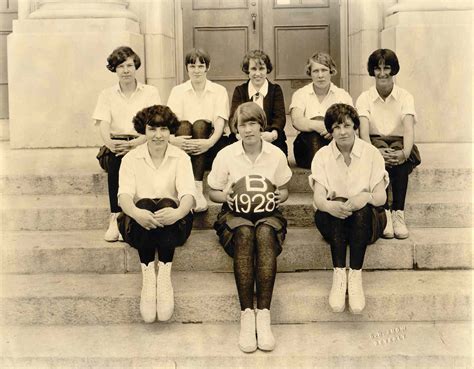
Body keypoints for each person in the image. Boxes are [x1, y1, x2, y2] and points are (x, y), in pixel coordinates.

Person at [208, 102, 292, 353]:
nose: (248, 130)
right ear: (236, 128)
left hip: (268, 212)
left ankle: (263, 314)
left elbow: (285, 189)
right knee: (244, 233)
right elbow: (212, 191)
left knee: (264, 232)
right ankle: (247, 314)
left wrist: (280, 197)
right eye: (243, 124)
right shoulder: (226, 154)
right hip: (234, 213)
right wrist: (226, 197)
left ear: (261, 125)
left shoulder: (275, 154)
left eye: (253, 123)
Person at [117, 105, 196, 323]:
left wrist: (178, 212)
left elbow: (189, 194)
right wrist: (136, 213)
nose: (158, 135)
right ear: (144, 131)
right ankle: (148, 274)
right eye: (152, 129)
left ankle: (164, 274)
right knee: (142, 203)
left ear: (170, 131)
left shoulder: (181, 157)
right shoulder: (131, 159)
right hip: (138, 224)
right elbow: (124, 197)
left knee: (167, 202)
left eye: (163, 129)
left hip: (174, 224)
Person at [310, 103, 388, 314]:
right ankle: (338, 275)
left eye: (347, 125)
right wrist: (329, 205)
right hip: (334, 223)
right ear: (330, 130)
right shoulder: (322, 156)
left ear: (355, 127)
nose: (342, 132)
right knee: (337, 206)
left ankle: (355, 275)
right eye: (336, 127)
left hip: (368, 222)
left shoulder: (371, 154)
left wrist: (365, 197)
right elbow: (318, 198)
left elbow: (381, 198)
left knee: (359, 208)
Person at [93, 46, 162, 242]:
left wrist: (137, 143)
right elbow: (103, 125)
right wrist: (112, 143)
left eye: (130, 65)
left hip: (143, 141)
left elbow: (155, 125)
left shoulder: (150, 92)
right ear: (114, 69)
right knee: (116, 158)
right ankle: (115, 217)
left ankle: (129, 216)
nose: (126, 70)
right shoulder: (107, 94)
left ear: (136, 66)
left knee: (133, 157)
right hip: (115, 144)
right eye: (120, 66)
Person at [356, 49, 421, 239]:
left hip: (399, 142)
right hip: (374, 141)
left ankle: (398, 213)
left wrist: (405, 153)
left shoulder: (405, 96)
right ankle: (385, 213)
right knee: (379, 160)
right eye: (378, 68)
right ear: (372, 71)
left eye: (387, 68)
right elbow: (364, 132)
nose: (382, 73)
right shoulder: (364, 97)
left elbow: (408, 129)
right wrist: (374, 153)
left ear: (394, 70)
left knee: (399, 159)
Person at [167, 48, 230, 212]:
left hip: (211, 144)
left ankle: (197, 187)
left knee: (201, 125)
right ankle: (187, 188)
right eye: (192, 66)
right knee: (184, 125)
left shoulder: (219, 91)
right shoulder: (177, 91)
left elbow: (220, 123)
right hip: (183, 143)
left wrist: (208, 143)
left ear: (207, 68)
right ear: (187, 68)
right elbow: (170, 123)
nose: (196, 71)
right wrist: (173, 140)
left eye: (201, 66)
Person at [290, 52, 353, 169]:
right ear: (310, 73)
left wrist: (332, 129)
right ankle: (325, 165)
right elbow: (296, 120)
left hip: (336, 143)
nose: (320, 75)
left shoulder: (342, 95)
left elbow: (352, 124)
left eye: (324, 70)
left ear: (331, 71)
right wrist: (320, 126)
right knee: (315, 130)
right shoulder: (301, 94)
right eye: (315, 71)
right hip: (307, 148)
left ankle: (326, 165)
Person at [229, 50, 288, 155]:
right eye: (253, 69)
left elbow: (280, 117)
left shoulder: (275, 90)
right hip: (245, 137)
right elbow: (233, 118)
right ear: (248, 71)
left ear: (267, 69)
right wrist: (239, 134)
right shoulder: (240, 90)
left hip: (270, 137)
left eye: (261, 69)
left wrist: (273, 134)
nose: (257, 73)